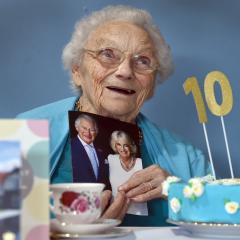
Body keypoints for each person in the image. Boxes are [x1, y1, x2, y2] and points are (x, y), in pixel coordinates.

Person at [17, 5, 210, 225]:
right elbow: (7, 227)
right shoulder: (25, 134)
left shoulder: (186, 158)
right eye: (107, 54)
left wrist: (180, 192)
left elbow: (224, 221)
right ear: (77, 70)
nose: (125, 71)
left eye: (142, 61)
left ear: (153, 84)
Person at [108, 130, 147, 216]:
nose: (122, 149)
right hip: (115, 212)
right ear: (115, 146)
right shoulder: (111, 159)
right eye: (119, 145)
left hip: (139, 213)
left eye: (125, 145)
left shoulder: (141, 163)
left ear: (131, 145)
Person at [71, 114, 110, 188]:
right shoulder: (69, 147)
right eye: (84, 128)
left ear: (96, 131)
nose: (88, 133)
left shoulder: (102, 150)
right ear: (77, 127)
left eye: (92, 130)